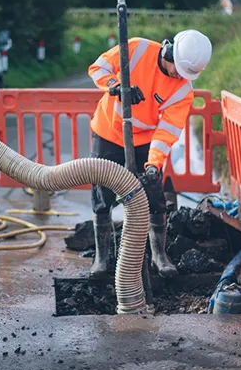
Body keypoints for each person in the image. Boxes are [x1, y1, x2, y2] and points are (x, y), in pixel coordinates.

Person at [87, 29, 213, 279]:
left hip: (145, 140)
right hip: (109, 132)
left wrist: (153, 165)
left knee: (155, 197)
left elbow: (166, 132)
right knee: (102, 195)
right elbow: (97, 68)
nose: (179, 76)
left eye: (186, 74)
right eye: (178, 68)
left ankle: (159, 255)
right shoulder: (136, 49)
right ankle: (102, 258)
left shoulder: (182, 91)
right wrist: (116, 87)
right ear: (168, 51)